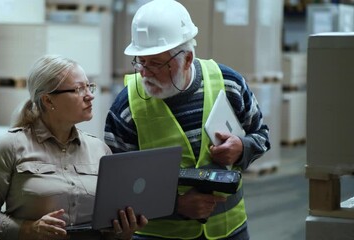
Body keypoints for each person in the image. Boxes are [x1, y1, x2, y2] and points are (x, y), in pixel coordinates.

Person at [104, 0, 271, 239]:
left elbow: (262, 136)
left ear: (188, 59)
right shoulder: (125, 108)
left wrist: (241, 148)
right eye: (141, 61)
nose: (145, 73)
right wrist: (177, 206)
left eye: (157, 63)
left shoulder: (229, 84)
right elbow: (117, 189)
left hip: (230, 231)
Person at [0, 55, 148, 240]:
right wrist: (28, 229)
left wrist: (121, 231)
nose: (90, 96)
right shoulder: (9, 147)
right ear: (48, 100)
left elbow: (109, 226)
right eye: (78, 89)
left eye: (89, 86)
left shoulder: (99, 150)